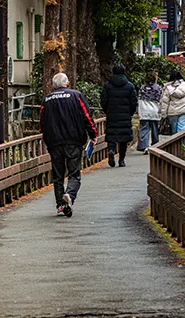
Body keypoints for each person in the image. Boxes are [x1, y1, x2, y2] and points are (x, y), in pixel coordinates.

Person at [39, 72, 98, 217]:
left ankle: (60, 205)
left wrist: (47, 139)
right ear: (68, 84)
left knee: (58, 175)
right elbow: (87, 116)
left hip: (54, 142)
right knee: (74, 174)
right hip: (73, 140)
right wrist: (93, 134)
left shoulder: (46, 100)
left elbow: (42, 123)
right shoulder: (76, 96)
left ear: (53, 86)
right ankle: (70, 195)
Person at [101, 64, 137, 168]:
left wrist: (107, 110)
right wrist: (130, 112)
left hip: (112, 114)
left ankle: (111, 150)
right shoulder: (129, 86)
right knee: (123, 139)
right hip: (125, 115)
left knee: (111, 135)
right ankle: (121, 160)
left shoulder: (108, 85)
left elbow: (103, 100)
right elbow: (133, 102)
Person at [159, 70, 185, 135]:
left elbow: (164, 102)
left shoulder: (168, 87)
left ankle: (175, 143)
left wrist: (163, 114)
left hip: (172, 112)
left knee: (174, 131)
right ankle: (181, 144)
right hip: (184, 111)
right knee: (182, 129)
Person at [137, 71, 162, 153]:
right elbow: (160, 99)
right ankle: (155, 145)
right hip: (154, 111)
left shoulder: (142, 88)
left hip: (144, 111)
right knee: (155, 130)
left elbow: (139, 99)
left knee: (144, 129)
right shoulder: (157, 88)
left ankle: (144, 146)